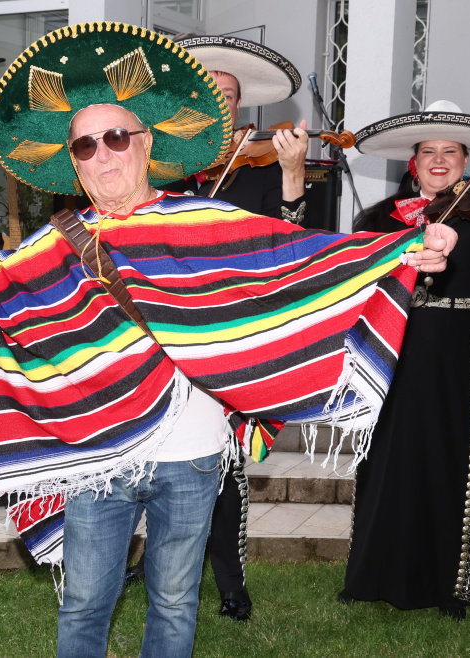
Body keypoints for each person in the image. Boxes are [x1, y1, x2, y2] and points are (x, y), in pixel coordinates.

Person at [0, 22, 457, 658]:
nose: (103, 155)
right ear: (73, 161)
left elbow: (303, 263)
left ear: (145, 145)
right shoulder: (51, 248)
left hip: (194, 452)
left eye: (116, 137)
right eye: (86, 145)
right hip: (99, 458)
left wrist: (412, 247)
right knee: (86, 603)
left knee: (176, 602)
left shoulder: (207, 223)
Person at [123, 34, 311, 622]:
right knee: (148, 446)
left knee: (223, 460)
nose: (220, 101)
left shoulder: (256, 166)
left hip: (228, 328)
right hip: (158, 326)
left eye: (230, 95)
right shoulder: (161, 162)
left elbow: (290, 240)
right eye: (210, 91)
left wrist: (292, 173)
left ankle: (231, 580)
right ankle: (146, 557)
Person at [336, 100, 470, 620]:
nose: (439, 160)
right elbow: (354, 288)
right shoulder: (379, 218)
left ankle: (452, 584)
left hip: (463, 349)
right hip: (396, 346)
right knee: (388, 460)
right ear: (412, 162)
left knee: (454, 463)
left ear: (468, 161)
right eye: (428, 152)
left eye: (450, 152)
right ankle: (374, 575)